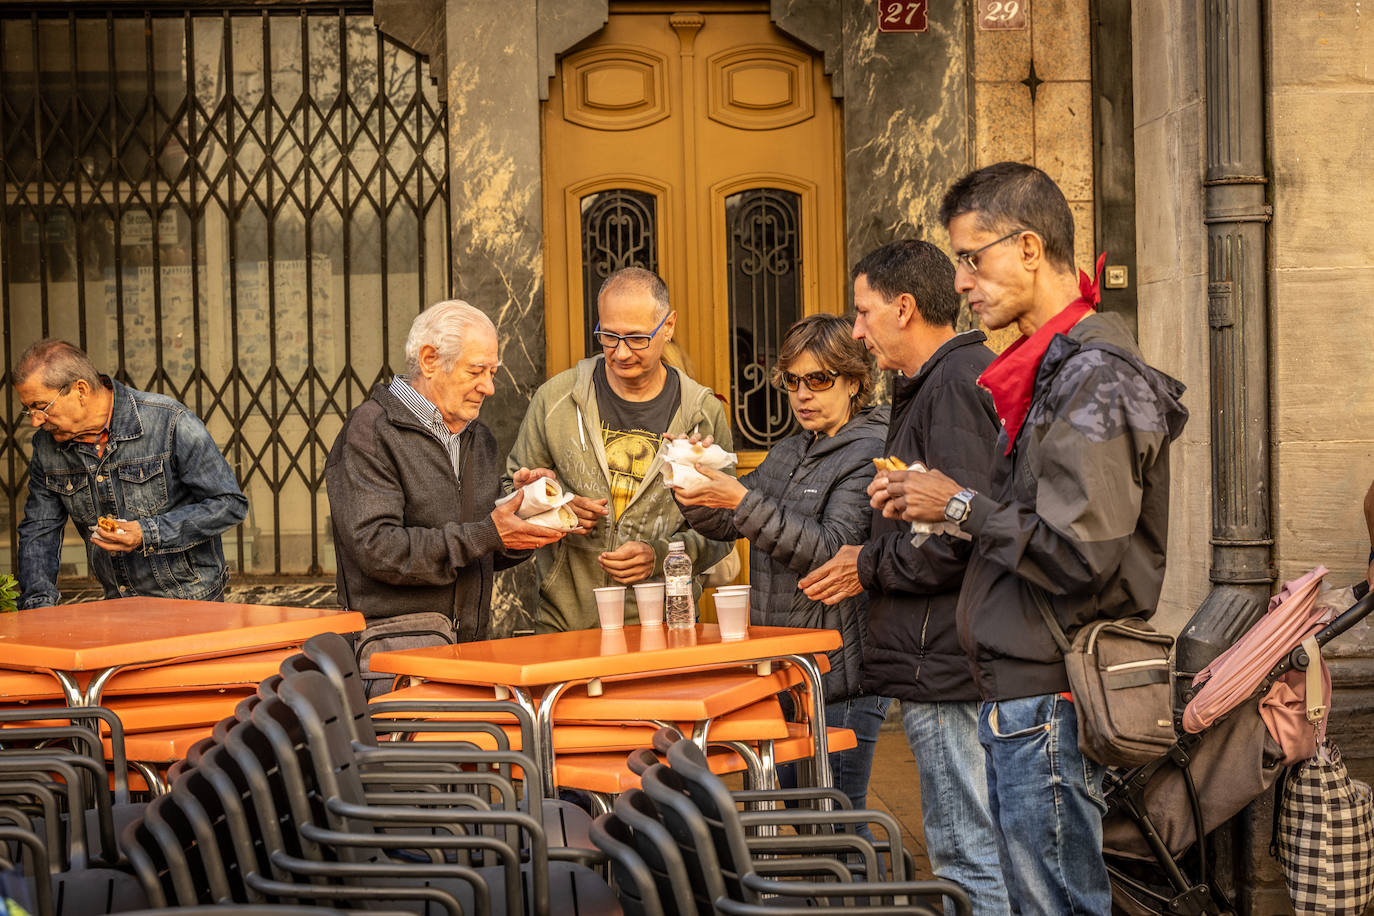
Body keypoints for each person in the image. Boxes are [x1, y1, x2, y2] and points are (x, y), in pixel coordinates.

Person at [890, 162, 1189, 914]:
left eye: (970, 258)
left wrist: (956, 504)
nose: (960, 282)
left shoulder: (1096, 376)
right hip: (1022, 689)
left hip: (1047, 694)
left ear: (1028, 248)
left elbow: (1077, 552)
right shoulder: (1056, 369)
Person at [799, 240, 1011, 915]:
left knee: (967, 855)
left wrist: (866, 562)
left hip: (944, 665)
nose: (856, 331)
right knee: (970, 847)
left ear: (905, 306)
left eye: (863, 313)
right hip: (944, 658)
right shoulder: (944, 382)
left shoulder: (953, 384)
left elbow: (958, 534)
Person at [671, 313, 889, 815]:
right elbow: (729, 525)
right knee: (802, 811)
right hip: (789, 670)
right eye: (792, 381)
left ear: (854, 381)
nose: (803, 395)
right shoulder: (790, 449)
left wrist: (740, 500)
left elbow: (831, 548)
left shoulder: (870, 450)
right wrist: (691, 480)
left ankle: (867, 895)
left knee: (835, 822)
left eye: (818, 380)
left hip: (843, 678)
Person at [505, 267, 735, 632]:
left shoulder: (701, 412)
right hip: (565, 626)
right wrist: (549, 503)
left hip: (664, 628)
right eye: (609, 336)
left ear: (669, 326)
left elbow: (725, 530)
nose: (622, 352)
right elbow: (508, 499)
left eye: (637, 338)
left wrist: (659, 556)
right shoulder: (556, 399)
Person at [326, 300, 567, 644]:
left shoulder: (478, 437)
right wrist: (487, 533)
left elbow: (478, 550)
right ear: (429, 361)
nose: (489, 387)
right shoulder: (370, 432)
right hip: (394, 654)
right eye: (476, 371)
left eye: (493, 373)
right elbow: (377, 550)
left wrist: (525, 511)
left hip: (468, 648)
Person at [15, 339, 248, 607]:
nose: (35, 420)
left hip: (191, 602)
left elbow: (230, 505)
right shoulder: (46, 446)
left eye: (41, 406)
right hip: (119, 604)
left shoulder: (169, 421)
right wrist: (38, 608)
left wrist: (147, 533)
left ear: (80, 390)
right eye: (28, 409)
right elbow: (39, 530)